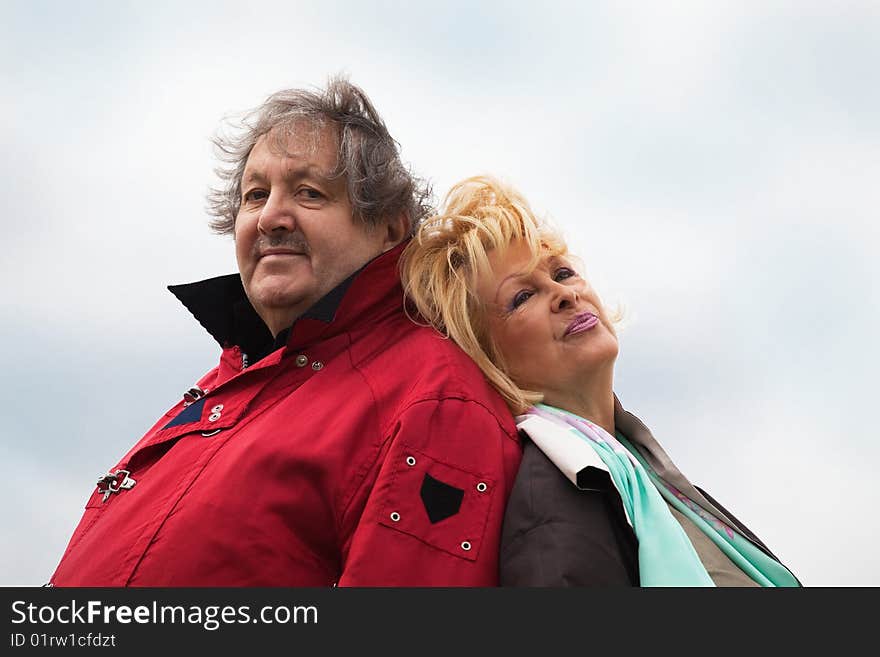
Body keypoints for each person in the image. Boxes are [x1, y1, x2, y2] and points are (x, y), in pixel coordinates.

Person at [48, 80, 521, 587]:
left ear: (389, 228)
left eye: (309, 193)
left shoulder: (435, 398)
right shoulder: (228, 383)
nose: (271, 217)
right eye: (255, 195)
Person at [400, 175, 801, 586]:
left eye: (563, 272)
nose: (564, 294)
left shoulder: (642, 475)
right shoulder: (553, 504)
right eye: (522, 296)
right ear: (487, 356)